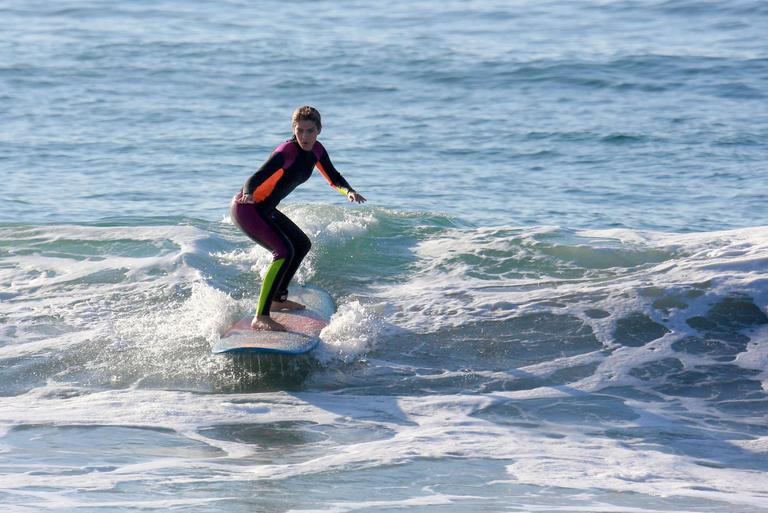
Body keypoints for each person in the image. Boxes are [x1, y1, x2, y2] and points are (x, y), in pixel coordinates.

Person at [230, 106, 366, 331]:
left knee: (301, 244)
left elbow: (333, 177)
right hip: (247, 208)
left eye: (310, 131)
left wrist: (349, 191)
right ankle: (261, 316)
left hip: (266, 208)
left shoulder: (317, 151)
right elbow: (256, 176)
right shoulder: (286, 152)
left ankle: (277, 299)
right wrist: (248, 193)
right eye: (299, 130)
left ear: (319, 130)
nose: (304, 136)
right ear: (293, 129)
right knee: (282, 252)